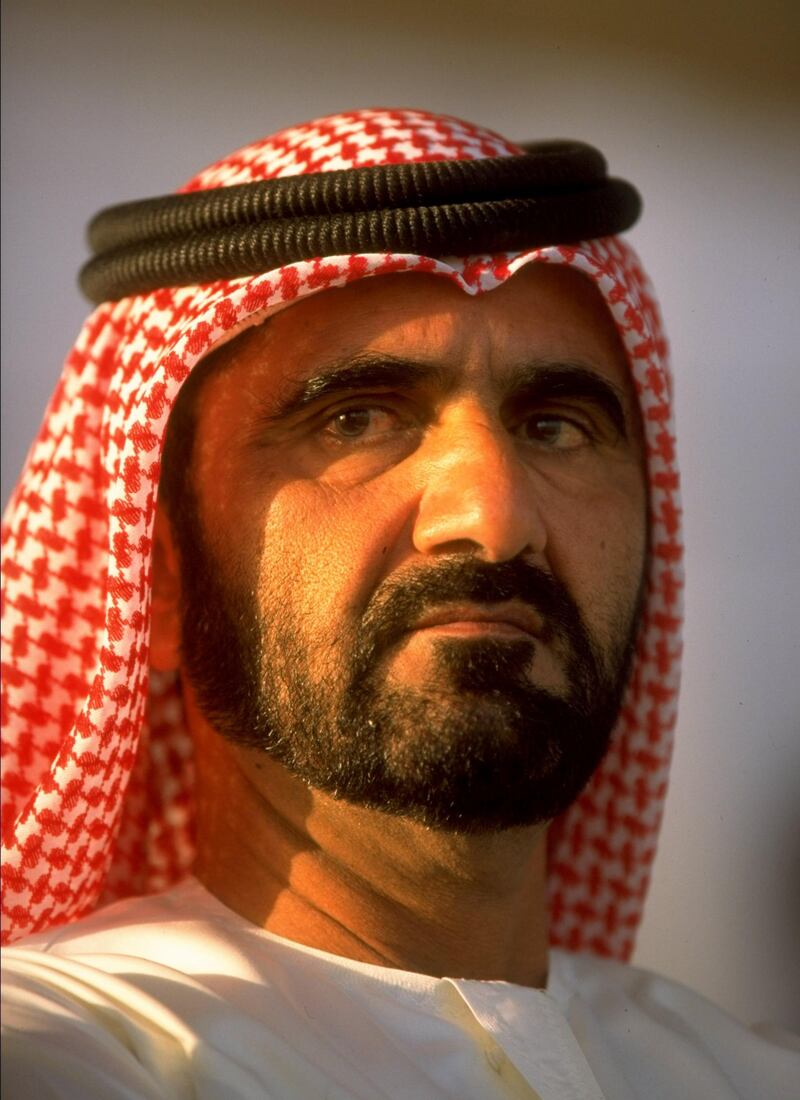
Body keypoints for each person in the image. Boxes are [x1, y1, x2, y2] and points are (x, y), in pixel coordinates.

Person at [1, 107, 796, 1099]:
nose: (490, 518)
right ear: (153, 572)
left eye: (554, 427)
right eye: (358, 418)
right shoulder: (64, 1048)